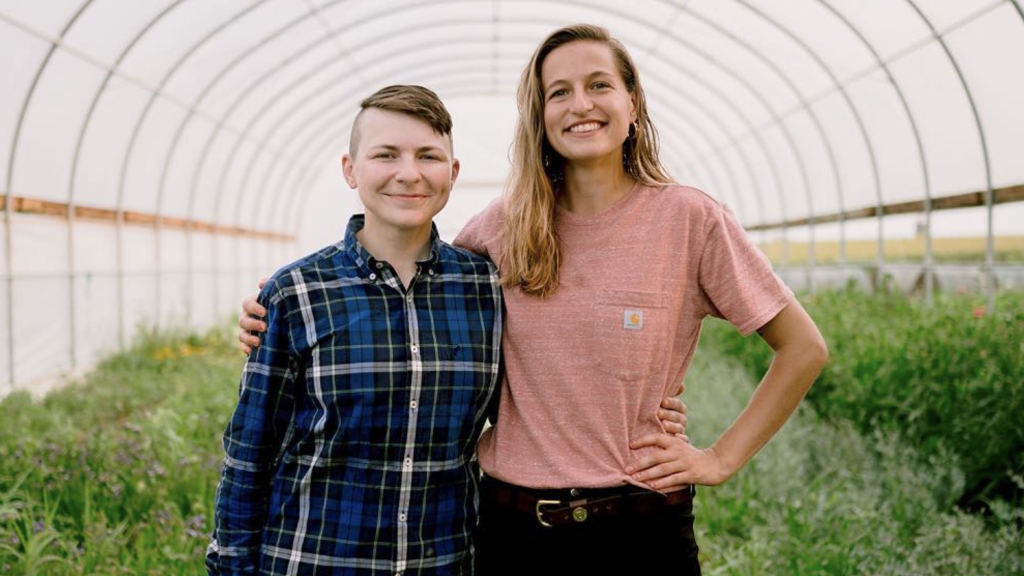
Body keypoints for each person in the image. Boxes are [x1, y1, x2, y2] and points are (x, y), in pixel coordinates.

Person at [240, 24, 827, 575]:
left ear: (633, 104)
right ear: (539, 115)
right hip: (515, 531)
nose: (581, 105)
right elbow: (408, 279)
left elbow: (802, 348)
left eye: (599, 85)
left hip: (641, 529)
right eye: (559, 92)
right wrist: (271, 313)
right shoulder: (501, 227)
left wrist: (720, 458)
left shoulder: (690, 219)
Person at [206, 85, 503, 576]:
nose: (408, 173)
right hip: (313, 559)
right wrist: (231, 565)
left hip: (443, 561)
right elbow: (249, 454)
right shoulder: (296, 292)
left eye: (428, 156)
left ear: (452, 174)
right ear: (351, 169)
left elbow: (536, 412)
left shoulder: (486, 290)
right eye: (386, 155)